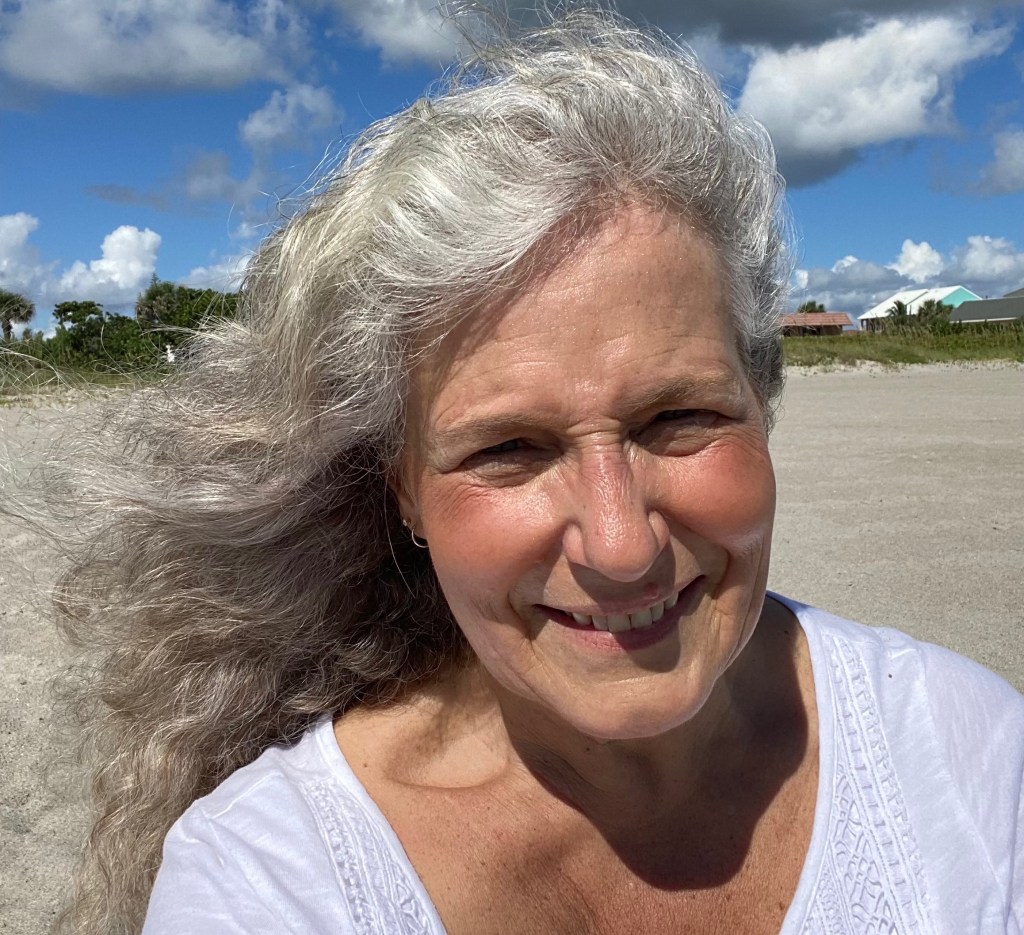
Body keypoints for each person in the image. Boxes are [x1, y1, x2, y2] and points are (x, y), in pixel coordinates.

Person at [52, 9, 1022, 935]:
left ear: (760, 403)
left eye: (678, 416)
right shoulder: (269, 878)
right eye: (508, 449)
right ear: (401, 486)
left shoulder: (963, 756)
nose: (621, 546)